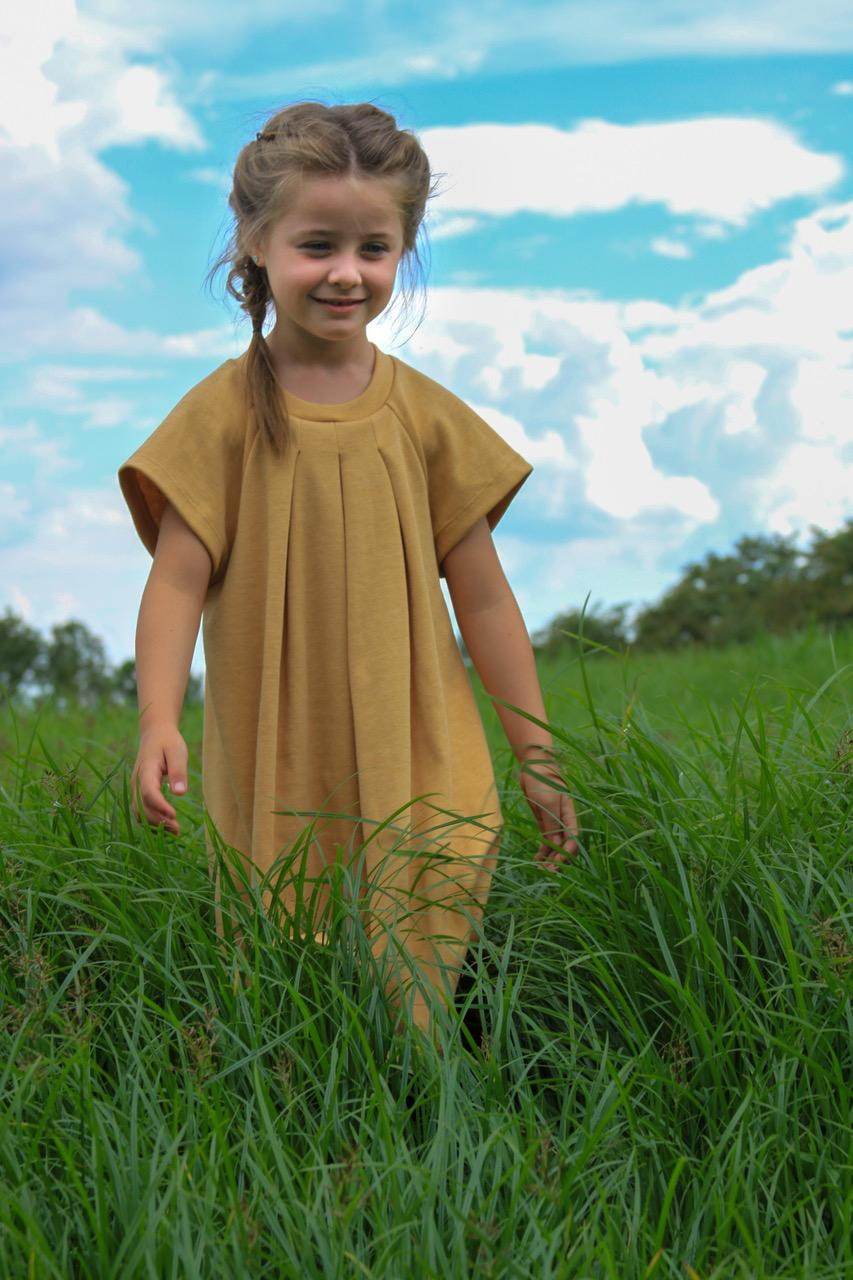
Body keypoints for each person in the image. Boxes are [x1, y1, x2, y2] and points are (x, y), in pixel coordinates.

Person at [118, 100, 579, 1041]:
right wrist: (159, 719)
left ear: (403, 251)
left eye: (374, 248)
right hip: (280, 733)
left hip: (419, 728)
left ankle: (440, 1089)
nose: (345, 273)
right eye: (316, 243)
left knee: (438, 883)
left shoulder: (425, 416)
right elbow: (174, 581)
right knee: (292, 943)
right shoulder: (221, 415)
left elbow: (483, 594)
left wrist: (534, 752)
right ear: (254, 239)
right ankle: (308, 1103)